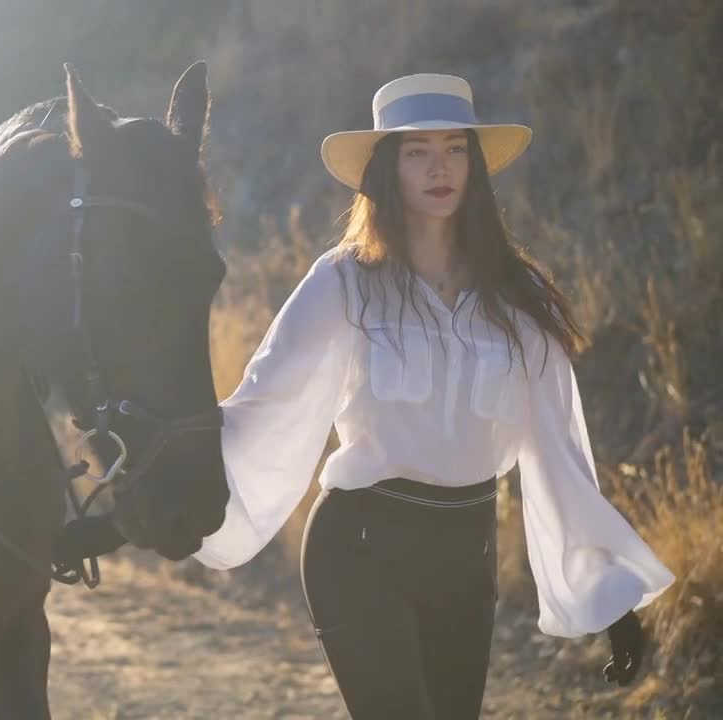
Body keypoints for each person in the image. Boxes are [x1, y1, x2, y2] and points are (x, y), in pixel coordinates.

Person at [192, 73, 675, 719]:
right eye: (417, 151)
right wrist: (166, 474)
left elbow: (561, 450)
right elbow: (263, 404)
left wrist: (611, 596)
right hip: (359, 550)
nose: (439, 167)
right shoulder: (345, 282)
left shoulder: (518, 294)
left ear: (474, 164)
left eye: (455, 148)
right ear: (388, 168)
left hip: (466, 560)